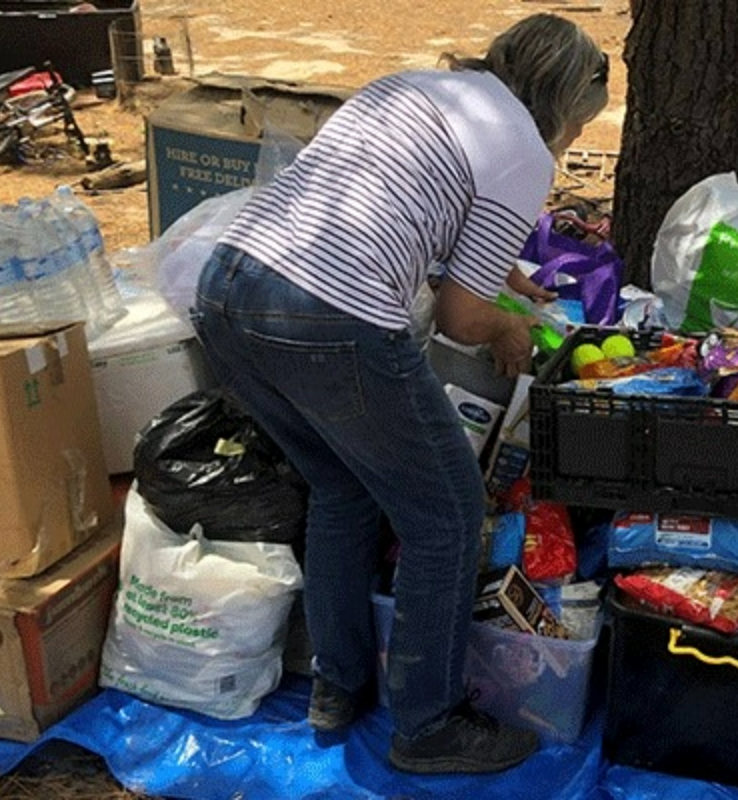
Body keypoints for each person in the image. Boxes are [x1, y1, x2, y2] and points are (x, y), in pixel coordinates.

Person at [190, 13, 608, 775]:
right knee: (445, 516)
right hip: (330, 314)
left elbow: (420, 214)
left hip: (228, 290)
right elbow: (461, 317)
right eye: (580, 122)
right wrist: (508, 325)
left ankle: (337, 685)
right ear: (561, 101)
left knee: (342, 490)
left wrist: (510, 283)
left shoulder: (409, 88)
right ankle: (428, 726)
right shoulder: (521, 146)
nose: (574, 138)